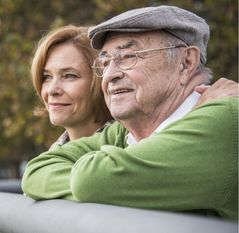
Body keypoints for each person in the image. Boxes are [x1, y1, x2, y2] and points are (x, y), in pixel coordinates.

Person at [22, 5, 238, 220]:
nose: (109, 76)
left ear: (186, 61)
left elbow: (92, 181)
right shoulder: (124, 132)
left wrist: (97, 184)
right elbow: (36, 172)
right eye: (105, 62)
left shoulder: (223, 119)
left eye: (128, 56)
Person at [31, 25, 112, 146]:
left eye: (69, 76)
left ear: (102, 79)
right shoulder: (51, 160)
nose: (52, 90)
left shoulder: (131, 151)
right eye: (47, 77)